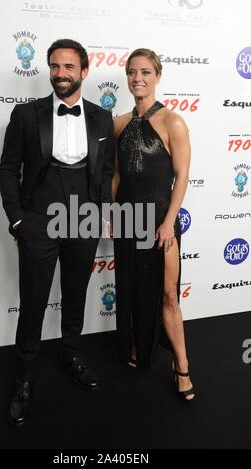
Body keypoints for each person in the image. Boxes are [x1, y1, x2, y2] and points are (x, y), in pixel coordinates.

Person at [0, 38, 115, 426]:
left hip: (84, 217)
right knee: (32, 302)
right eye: (54, 66)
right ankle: (24, 378)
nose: (60, 74)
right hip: (39, 218)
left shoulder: (101, 118)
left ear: (84, 71)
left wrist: (98, 212)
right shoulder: (26, 115)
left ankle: (73, 354)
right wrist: (17, 218)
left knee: (76, 294)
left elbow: (106, 172)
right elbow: (7, 168)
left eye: (68, 67)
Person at [112, 48, 194, 400]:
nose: (137, 79)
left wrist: (168, 223)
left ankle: (182, 366)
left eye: (145, 72)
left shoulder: (172, 122)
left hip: (160, 223)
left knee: (166, 295)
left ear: (157, 76)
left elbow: (182, 176)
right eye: (132, 72)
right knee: (132, 291)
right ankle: (140, 347)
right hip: (129, 219)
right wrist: (112, 213)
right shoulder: (118, 123)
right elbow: (117, 175)